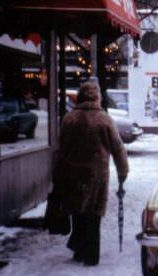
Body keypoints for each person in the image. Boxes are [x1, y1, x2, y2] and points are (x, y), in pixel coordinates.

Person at [53, 81, 129, 266]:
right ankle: (91, 255)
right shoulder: (104, 119)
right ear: (97, 97)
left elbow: (60, 149)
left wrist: (58, 172)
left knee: (77, 211)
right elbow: (118, 149)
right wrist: (122, 171)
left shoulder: (69, 119)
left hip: (73, 173)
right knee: (93, 214)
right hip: (97, 175)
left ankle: (79, 251)